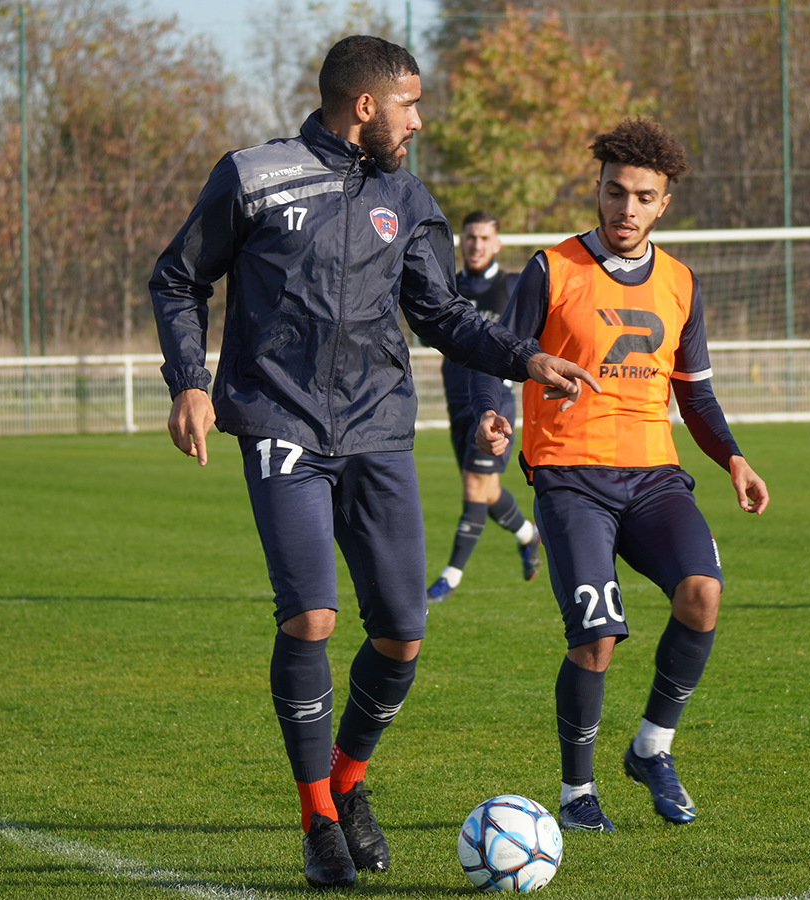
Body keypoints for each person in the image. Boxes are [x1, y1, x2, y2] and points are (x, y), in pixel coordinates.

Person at [148, 35, 597, 890]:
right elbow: (177, 279)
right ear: (366, 106)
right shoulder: (252, 176)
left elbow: (441, 313)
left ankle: (349, 787)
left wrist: (523, 358)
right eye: (411, 104)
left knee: (401, 633)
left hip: (380, 431)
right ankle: (318, 817)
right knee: (311, 617)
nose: (419, 121)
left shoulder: (407, 194)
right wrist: (189, 381)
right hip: (280, 425)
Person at [472, 117, 769, 834]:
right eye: (614, 192)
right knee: (596, 637)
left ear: (663, 202)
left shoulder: (680, 284)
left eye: (642, 197)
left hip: (653, 476)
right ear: (597, 190)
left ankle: (651, 748)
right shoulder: (551, 268)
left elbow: (693, 393)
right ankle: (577, 794)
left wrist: (731, 455)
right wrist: (495, 416)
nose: (625, 209)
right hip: (570, 477)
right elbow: (502, 354)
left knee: (702, 594)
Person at [426, 211, 542, 604]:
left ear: (497, 244)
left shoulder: (512, 287)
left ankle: (449, 578)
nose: (475, 244)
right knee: (486, 491)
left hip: (494, 403)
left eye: (483, 238)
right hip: (456, 402)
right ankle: (529, 535)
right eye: (470, 237)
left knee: (475, 489)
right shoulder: (448, 287)